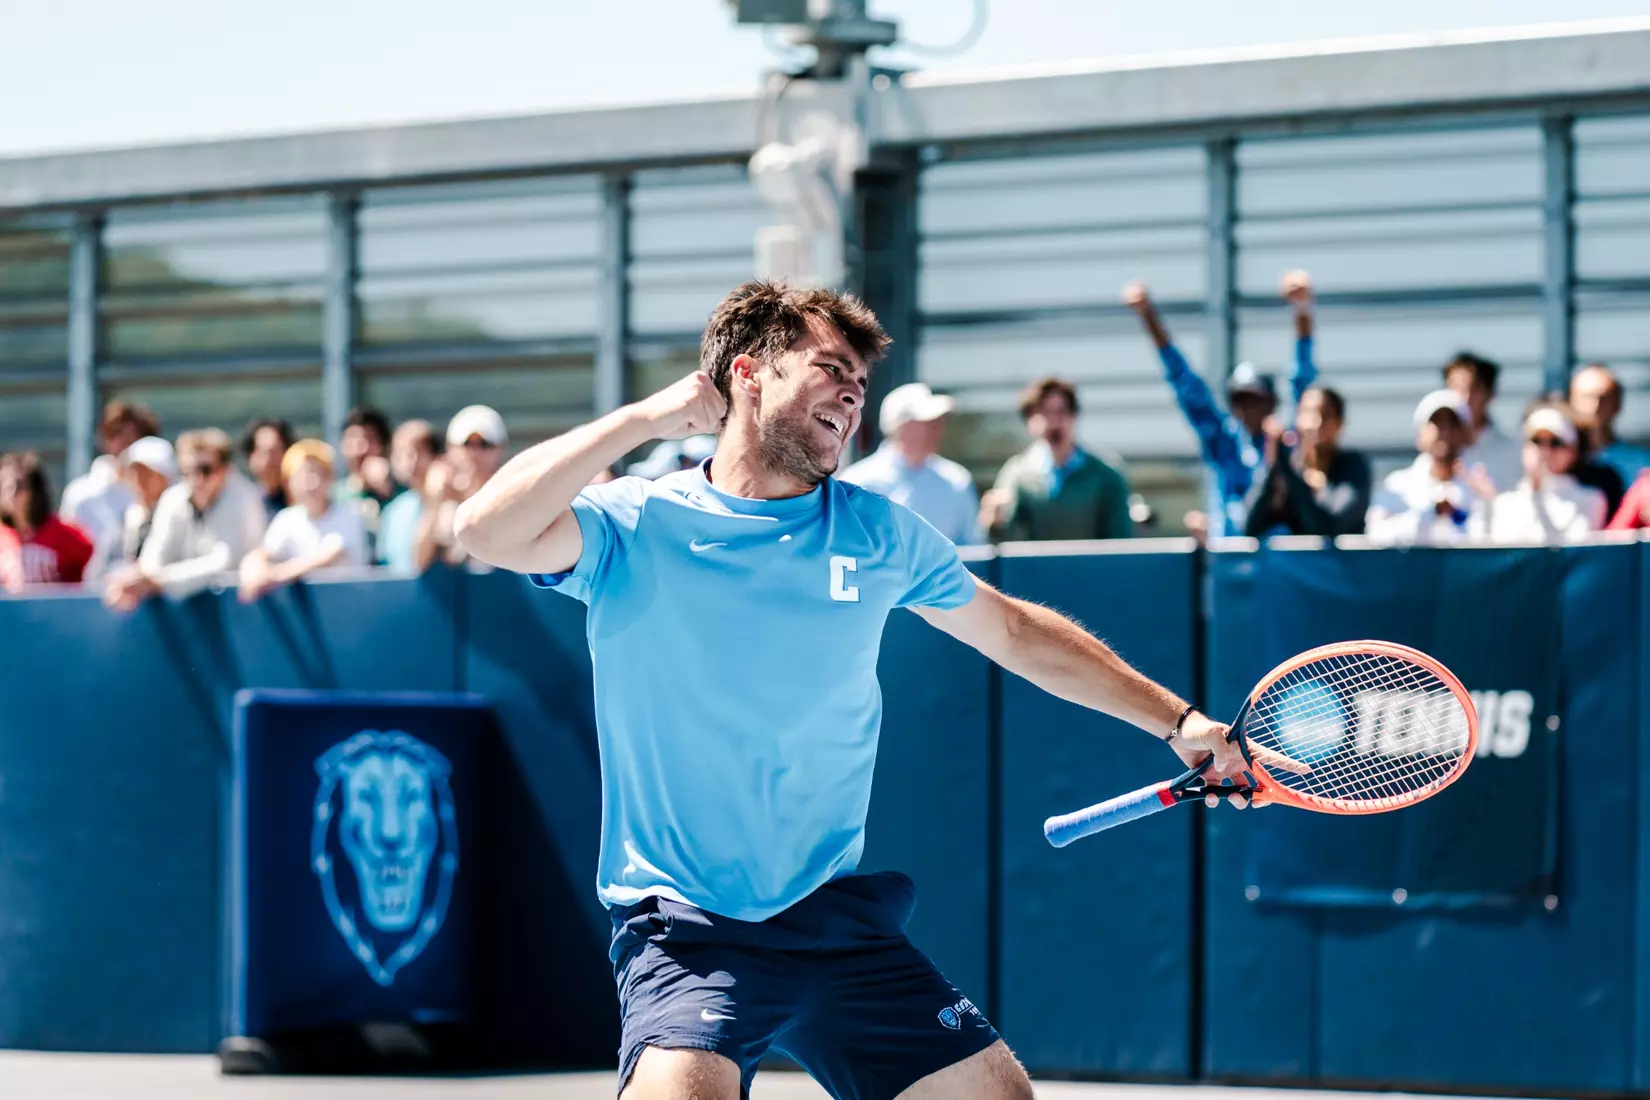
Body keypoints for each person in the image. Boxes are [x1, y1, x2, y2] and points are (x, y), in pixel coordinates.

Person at [449, 280, 1268, 1100]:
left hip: (834, 921)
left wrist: (1182, 722)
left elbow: (1014, 632)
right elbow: (484, 528)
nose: (852, 393)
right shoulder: (633, 524)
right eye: (830, 368)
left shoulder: (877, 532)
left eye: (860, 384)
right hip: (688, 932)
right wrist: (643, 421)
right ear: (749, 374)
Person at [1125, 270, 1318, 537]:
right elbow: (1186, 385)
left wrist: (1303, 310)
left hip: (1278, 562)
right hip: (1228, 558)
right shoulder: (1224, 442)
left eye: (1255, 400)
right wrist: (1148, 316)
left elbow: (1303, 383)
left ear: (1271, 403)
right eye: (1239, 400)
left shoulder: (1286, 442)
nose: (1246, 409)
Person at [104, 428, 267, 611]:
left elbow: (224, 562)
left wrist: (160, 581)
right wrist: (140, 580)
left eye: (205, 470)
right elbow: (155, 556)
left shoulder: (244, 499)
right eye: (187, 471)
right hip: (195, 614)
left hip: (243, 614)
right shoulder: (173, 499)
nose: (196, 479)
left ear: (225, 470)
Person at [980, 376, 1132, 542]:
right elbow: (1003, 540)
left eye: (1062, 411)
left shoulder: (1106, 475)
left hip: (1090, 568)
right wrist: (994, 523)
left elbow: (1120, 541)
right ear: (1029, 421)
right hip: (1035, 568)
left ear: (1074, 416)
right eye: (1044, 413)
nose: (1054, 421)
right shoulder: (1017, 473)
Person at [839, 381, 981, 544]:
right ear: (899, 426)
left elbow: (972, 551)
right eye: (926, 421)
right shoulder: (857, 482)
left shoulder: (957, 481)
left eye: (937, 421)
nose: (936, 428)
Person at [239, 439, 370, 602]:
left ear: (330, 479)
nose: (310, 483)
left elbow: (328, 555)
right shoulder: (287, 519)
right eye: (301, 476)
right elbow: (265, 551)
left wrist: (274, 576)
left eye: (316, 474)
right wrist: (253, 568)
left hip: (352, 605)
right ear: (289, 483)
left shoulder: (350, 514)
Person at [1244, 387, 1372, 538]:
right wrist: (1273, 465)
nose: (1315, 424)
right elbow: (1251, 528)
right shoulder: (1289, 472)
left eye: (1325, 415)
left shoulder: (1353, 467)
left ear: (1339, 423)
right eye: (1308, 413)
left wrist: (1289, 470)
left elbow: (1328, 528)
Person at [1470, 403, 1606, 544]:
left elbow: (1567, 552)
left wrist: (1537, 492)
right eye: (1536, 441)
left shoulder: (1591, 499)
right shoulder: (1502, 502)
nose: (1545, 450)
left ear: (1573, 452)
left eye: (1555, 443)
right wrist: (1485, 505)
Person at [1365, 390, 1478, 546]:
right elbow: (1376, 534)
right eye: (1436, 424)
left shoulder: (1479, 487)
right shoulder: (1396, 485)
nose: (1444, 432)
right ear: (1420, 434)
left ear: (1466, 436)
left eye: (1452, 425)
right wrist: (1430, 514)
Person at [414, 405, 508, 572]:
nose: (475, 452)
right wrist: (435, 503)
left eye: (484, 444)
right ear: (450, 448)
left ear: (500, 447)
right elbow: (419, 562)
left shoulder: (511, 497)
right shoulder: (441, 501)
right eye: (467, 444)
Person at [60, 400, 160, 554]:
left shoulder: (166, 493)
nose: (123, 443)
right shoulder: (79, 493)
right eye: (115, 433)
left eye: (135, 436)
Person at [85, 436, 176, 586]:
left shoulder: (180, 516)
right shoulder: (126, 519)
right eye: (134, 473)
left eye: (147, 474)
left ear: (166, 478)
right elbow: (97, 573)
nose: (139, 480)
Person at [0, 452, 95, 591]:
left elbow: (91, 569)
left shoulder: (65, 534)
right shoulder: (3, 537)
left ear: (35, 492)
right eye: (4, 486)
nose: (11, 493)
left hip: (55, 610)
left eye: (19, 486)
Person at [1443, 352, 1521, 492]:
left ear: (1490, 394)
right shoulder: (1437, 452)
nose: (1464, 398)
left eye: (1473, 390)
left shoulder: (1515, 453)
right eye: (1456, 389)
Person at [1569, 362, 1650, 488]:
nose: (1595, 406)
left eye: (1603, 398)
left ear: (1617, 403)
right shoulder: (1558, 458)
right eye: (1587, 397)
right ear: (1571, 402)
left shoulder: (1640, 464)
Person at [376, 419, 442, 574]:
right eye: (400, 454)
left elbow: (419, 562)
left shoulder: (453, 504)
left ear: (435, 456)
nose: (408, 462)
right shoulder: (393, 510)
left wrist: (435, 501)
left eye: (416, 452)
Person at [334, 405, 399, 553]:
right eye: (352, 439)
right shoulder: (333, 496)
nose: (360, 448)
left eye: (369, 439)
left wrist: (388, 489)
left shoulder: (403, 494)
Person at [242, 417, 295, 520]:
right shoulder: (245, 504)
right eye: (266, 452)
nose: (272, 460)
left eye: (278, 451)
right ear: (251, 458)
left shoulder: (305, 501)